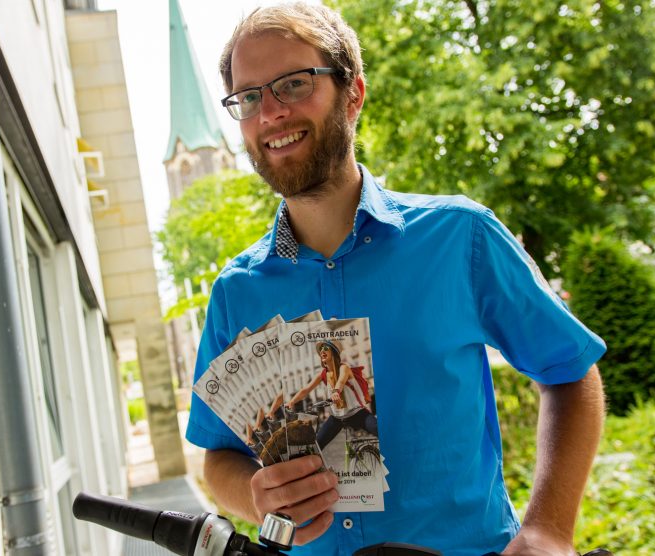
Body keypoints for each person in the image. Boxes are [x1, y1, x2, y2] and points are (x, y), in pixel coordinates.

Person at [184, 4, 607, 555]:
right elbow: (218, 457)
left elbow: (570, 374)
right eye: (249, 97)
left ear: (353, 92)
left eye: (293, 84)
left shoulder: (462, 238)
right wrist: (253, 494)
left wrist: (549, 527)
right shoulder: (236, 291)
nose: (270, 114)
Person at [286, 340, 377, 448]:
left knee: (382, 432)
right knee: (315, 447)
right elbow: (305, 390)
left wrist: (335, 392)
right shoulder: (322, 374)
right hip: (337, 418)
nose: (322, 352)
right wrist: (292, 401)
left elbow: (341, 381)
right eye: (320, 350)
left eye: (326, 349)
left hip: (357, 414)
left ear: (334, 352)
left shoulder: (344, 368)